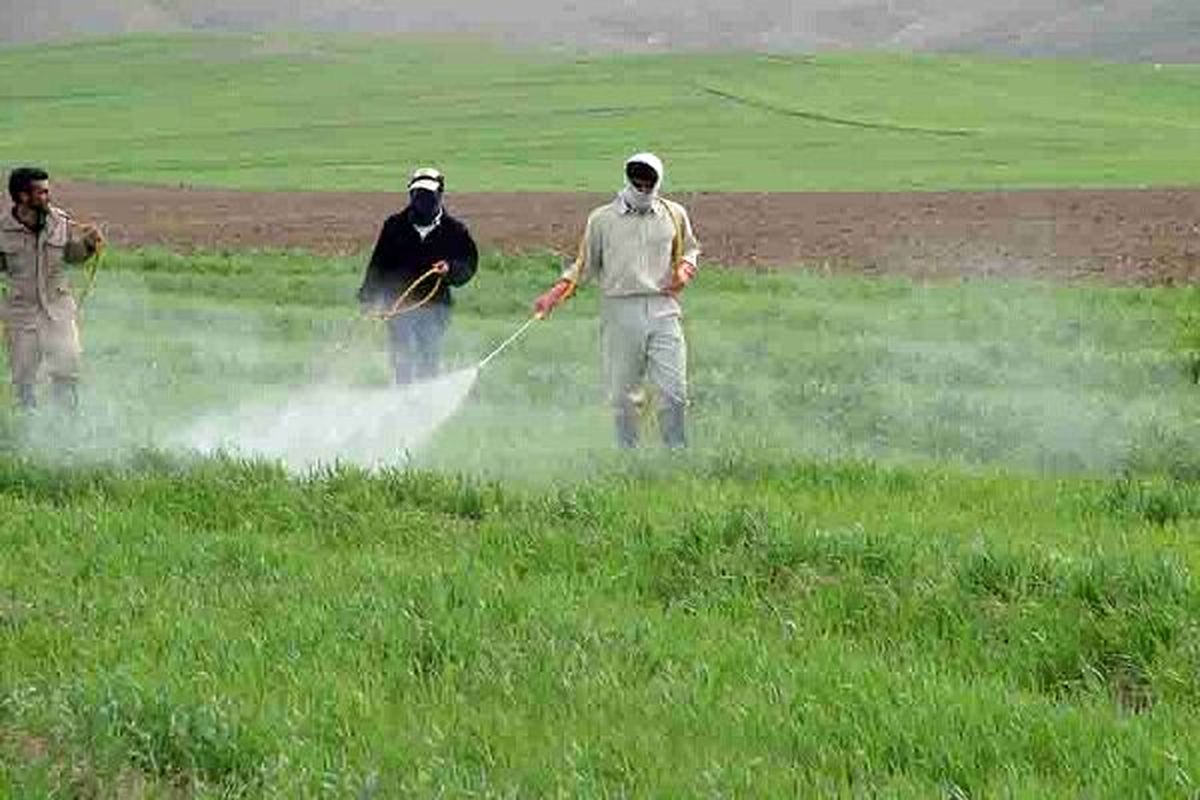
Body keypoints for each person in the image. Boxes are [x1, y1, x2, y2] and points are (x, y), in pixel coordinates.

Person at [533, 152, 700, 448]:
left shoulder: (674, 214)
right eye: (637, 180)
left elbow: (690, 249)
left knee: (674, 392)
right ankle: (627, 455)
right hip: (620, 312)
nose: (642, 188)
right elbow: (583, 267)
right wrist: (553, 296)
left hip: (664, 310)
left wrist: (685, 271)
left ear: (657, 182)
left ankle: (677, 454)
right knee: (623, 396)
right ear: (627, 178)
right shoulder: (602, 220)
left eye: (648, 182)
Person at [358, 167, 478, 385]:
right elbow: (379, 264)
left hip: (435, 305)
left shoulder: (455, 231)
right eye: (417, 194)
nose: (422, 200)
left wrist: (450, 269)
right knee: (401, 354)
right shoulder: (394, 226)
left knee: (428, 354)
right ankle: (402, 394)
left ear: (439, 195)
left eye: (428, 195)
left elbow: (468, 264)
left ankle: (425, 396)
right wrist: (368, 297)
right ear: (410, 195)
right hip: (398, 304)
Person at [0, 167, 104, 411]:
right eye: (42, 192)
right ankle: (29, 427)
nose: (48, 196)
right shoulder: (2, 232)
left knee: (67, 368)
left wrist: (88, 246)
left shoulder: (61, 222)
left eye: (48, 191)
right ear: (23, 196)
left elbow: (73, 256)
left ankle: (66, 423)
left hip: (58, 310)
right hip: (21, 314)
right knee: (25, 378)